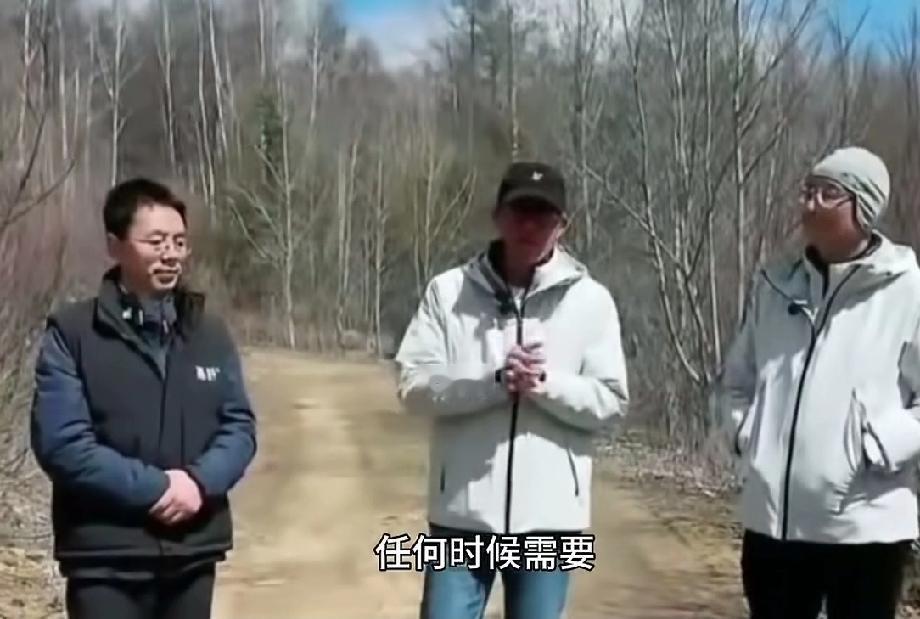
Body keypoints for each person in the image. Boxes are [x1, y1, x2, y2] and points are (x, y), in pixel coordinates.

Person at [394, 161, 630, 619]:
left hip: (551, 522)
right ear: (497, 216)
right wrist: (494, 384)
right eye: (520, 211)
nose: (530, 226)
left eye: (543, 216)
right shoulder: (449, 292)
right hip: (461, 514)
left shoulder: (591, 301)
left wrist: (543, 384)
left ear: (563, 225)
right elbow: (414, 385)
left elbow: (610, 402)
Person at [29, 178, 257, 619]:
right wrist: (156, 489)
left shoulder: (208, 332)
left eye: (179, 242)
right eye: (156, 242)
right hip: (105, 558)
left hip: (192, 551)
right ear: (115, 246)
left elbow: (239, 427)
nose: (171, 254)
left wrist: (198, 484)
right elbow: (63, 443)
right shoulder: (73, 334)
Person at [716, 146, 920, 619]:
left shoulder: (908, 291)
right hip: (773, 525)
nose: (809, 203)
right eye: (807, 190)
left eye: (827, 193)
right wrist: (745, 433)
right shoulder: (774, 286)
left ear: (863, 207)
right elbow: (736, 380)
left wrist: (881, 443)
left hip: (865, 526)